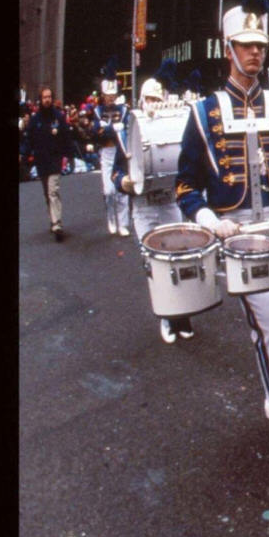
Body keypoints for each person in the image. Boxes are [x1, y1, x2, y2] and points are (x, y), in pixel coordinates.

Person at [175, 0, 269, 454]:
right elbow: (185, 184)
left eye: (260, 46)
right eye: (246, 46)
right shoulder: (203, 111)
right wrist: (209, 219)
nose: (254, 54)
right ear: (228, 49)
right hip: (237, 239)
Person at [115, 77, 197, 344]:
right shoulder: (130, 129)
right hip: (144, 206)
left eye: (157, 99)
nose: (153, 104)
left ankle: (182, 315)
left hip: (169, 202)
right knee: (154, 262)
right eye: (149, 99)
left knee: (178, 257)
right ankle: (167, 316)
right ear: (141, 100)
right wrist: (123, 182)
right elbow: (117, 170)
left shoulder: (173, 124)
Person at [27, 86, 79, 240]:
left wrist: (70, 156)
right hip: (41, 161)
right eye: (44, 97)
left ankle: (57, 224)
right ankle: (52, 219)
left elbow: (66, 138)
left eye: (49, 96)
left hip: (55, 160)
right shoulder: (35, 119)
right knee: (47, 194)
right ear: (40, 100)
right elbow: (29, 139)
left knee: (53, 191)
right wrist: (23, 153)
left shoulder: (59, 117)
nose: (47, 99)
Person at [92, 66, 131, 237]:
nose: (110, 98)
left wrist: (108, 129)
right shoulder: (97, 112)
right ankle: (111, 219)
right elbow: (95, 133)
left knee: (122, 191)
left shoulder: (123, 111)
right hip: (106, 153)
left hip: (120, 152)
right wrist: (112, 129)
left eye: (113, 96)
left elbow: (127, 129)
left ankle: (123, 224)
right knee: (108, 191)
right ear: (103, 96)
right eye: (107, 96)